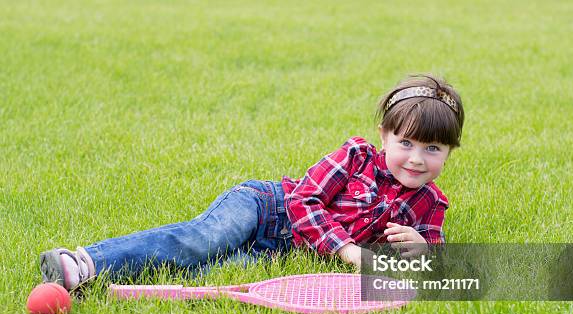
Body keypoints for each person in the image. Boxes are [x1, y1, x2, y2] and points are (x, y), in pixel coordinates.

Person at [40, 74, 465, 290]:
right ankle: (84, 262)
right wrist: (348, 250)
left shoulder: (430, 205)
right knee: (201, 241)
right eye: (405, 142)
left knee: (209, 271)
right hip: (266, 207)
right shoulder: (356, 157)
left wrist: (422, 250)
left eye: (433, 149)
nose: (415, 158)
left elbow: (432, 272)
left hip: (281, 250)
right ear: (384, 136)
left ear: (449, 152)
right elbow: (304, 202)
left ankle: (109, 282)